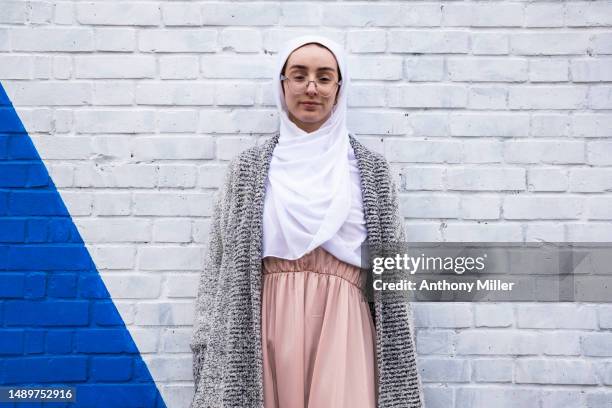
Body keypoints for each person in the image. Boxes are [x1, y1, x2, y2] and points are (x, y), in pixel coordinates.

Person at [190, 35, 424, 408]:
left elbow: (394, 277)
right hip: (263, 324)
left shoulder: (373, 173)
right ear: (282, 85)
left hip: (344, 326)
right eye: (298, 76)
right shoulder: (247, 171)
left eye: (324, 77)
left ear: (339, 87)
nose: (311, 87)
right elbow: (218, 264)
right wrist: (205, 344)